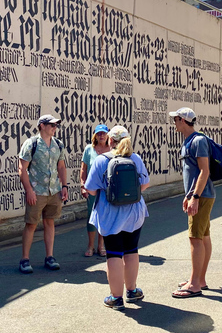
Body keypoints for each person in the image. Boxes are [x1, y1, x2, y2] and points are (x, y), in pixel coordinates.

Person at [85, 126, 150, 310]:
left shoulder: (101, 160)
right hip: (134, 213)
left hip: (110, 214)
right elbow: (145, 184)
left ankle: (116, 298)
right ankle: (132, 291)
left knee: (113, 253)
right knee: (131, 250)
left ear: (110, 141)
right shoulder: (135, 158)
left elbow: (91, 189)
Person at [170, 107, 215, 298]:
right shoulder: (190, 141)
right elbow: (194, 172)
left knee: (195, 238)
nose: (174, 123)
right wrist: (189, 194)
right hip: (199, 194)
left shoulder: (198, 141)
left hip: (202, 196)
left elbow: (204, 171)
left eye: (176, 119)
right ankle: (199, 279)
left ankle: (194, 284)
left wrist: (195, 197)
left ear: (182, 120)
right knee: (203, 236)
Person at [18, 114, 68, 274]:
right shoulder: (31, 144)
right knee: (31, 224)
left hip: (53, 190)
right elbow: (22, 169)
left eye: (56, 125)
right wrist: (29, 190)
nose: (54, 128)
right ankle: (25, 259)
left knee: (50, 222)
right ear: (42, 126)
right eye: (51, 125)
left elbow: (61, 166)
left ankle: (50, 257)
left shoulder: (58, 145)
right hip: (37, 191)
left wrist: (64, 185)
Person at [81, 124, 110, 257]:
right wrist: (83, 185)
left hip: (106, 189)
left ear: (108, 135)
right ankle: (90, 245)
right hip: (92, 189)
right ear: (95, 136)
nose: (101, 136)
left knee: (103, 216)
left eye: (103, 133)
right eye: (99, 134)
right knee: (91, 218)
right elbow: (83, 169)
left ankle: (101, 245)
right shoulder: (89, 149)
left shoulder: (111, 149)